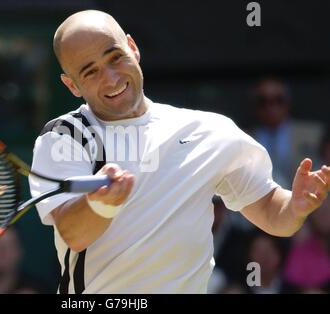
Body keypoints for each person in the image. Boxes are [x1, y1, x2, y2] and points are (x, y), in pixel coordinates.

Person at [29, 10, 330, 293]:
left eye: (115, 57)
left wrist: (296, 206)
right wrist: (102, 204)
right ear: (72, 86)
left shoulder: (210, 131)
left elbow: (270, 212)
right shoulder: (64, 137)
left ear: (132, 47)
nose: (110, 78)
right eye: (90, 71)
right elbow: (74, 233)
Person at [250, 78, 324, 188]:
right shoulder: (243, 137)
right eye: (263, 101)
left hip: (308, 200)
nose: (271, 107)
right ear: (255, 105)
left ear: (287, 102)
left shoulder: (314, 134)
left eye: (278, 100)